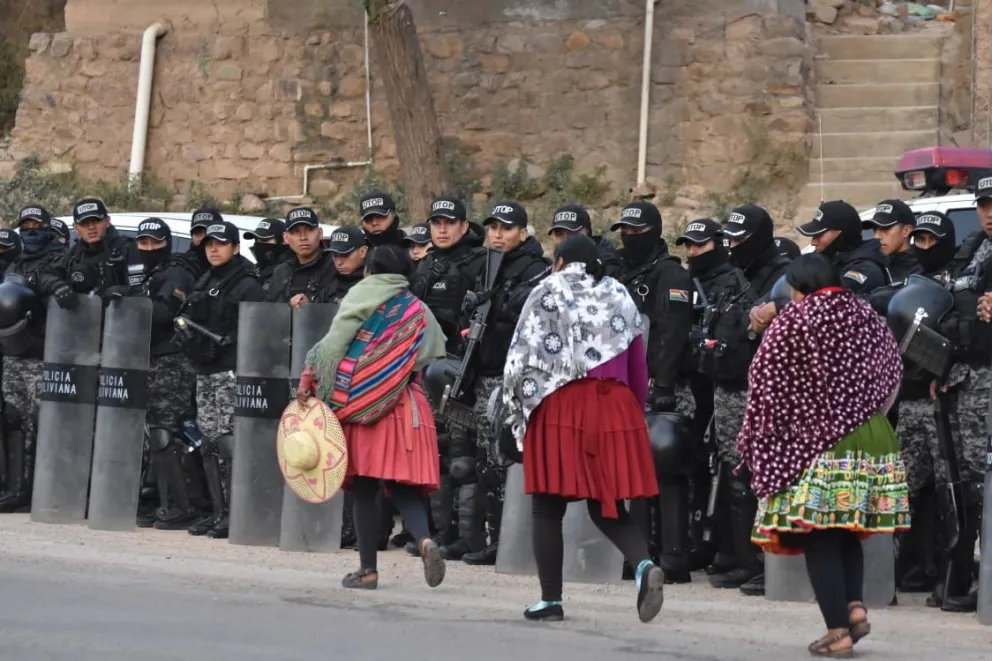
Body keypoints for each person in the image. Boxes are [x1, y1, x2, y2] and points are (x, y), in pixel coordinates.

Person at [737, 254, 908, 657]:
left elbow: (766, 387)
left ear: (796, 289)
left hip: (818, 441)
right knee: (845, 528)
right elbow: (893, 370)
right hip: (872, 435)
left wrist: (757, 442)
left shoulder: (794, 320)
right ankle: (853, 608)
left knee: (817, 536)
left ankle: (837, 631)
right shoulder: (866, 314)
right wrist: (866, 413)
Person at [501, 234, 664, 623]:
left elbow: (520, 360)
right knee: (606, 503)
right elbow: (638, 362)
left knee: (546, 506)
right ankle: (643, 564)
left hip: (561, 404)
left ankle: (551, 600)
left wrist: (517, 413)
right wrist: (633, 415)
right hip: (616, 406)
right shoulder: (620, 294)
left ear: (558, 262)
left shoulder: (547, 290)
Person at [296, 244, 447, 590]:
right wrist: (391, 368)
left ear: (369, 270)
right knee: (400, 485)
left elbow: (332, 347)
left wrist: (309, 382)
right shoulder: (417, 308)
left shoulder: (360, 295)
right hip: (405, 405)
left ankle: (368, 570)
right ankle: (424, 540)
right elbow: (430, 352)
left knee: (364, 490)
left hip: (362, 405)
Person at [452, 200, 550, 565]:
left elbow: (526, 317)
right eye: (493, 227)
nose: (497, 234)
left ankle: (512, 542)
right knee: (484, 461)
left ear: (523, 233)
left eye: (506, 228)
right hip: (485, 371)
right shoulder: (488, 265)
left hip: (516, 378)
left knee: (505, 458)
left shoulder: (534, 269)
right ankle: (492, 539)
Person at [677, 219, 759, 590]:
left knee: (735, 468)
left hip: (732, 387)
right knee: (701, 467)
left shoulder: (735, 285)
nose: (693, 253)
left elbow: (733, 346)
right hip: (699, 386)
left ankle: (743, 556)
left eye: (700, 246)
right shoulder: (690, 280)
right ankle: (709, 546)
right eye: (688, 246)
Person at [407, 196, 489, 558]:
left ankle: (469, 539)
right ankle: (440, 536)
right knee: (435, 455)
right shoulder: (426, 266)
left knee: (463, 458)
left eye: (448, 222)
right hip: (429, 371)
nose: (441, 229)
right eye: (436, 222)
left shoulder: (482, 264)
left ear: (464, 226)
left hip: (464, 371)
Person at [175, 221, 266, 539]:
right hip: (206, 371)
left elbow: (257, 333)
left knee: (230, 443)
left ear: (236, 248)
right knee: (209, 442)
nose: (213, 248)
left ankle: (237, 511)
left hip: (231, 372)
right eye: (209, 243)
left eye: (221, 243)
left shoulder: (247, 285)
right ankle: (219, 512)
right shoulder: (206, 279)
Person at [110, 218, 202, 529]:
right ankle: (161, 502)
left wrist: (130, 298)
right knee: (156, 434)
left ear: (167, 243)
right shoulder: (151, 274)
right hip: (150, 359)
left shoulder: (175, 272)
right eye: (144, 243)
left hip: (172, 361)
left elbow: (165, 312)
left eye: (155, 243)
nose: (149, 248)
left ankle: (182, 505)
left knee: (168, 433)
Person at [0, 205, 63, 512]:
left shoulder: (60, 260)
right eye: (25, 226)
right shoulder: (16, 264)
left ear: (48, 228)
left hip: (44, 356)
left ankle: (45, 488)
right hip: (15, 355)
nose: (31, 231)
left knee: (44, 423)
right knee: (15, 419)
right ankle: (17, 487)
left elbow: (58, 287)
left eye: (37, 225)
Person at [264, 208, 339, 307]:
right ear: (286, 238)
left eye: (309, 230)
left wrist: (311, 307)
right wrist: (289, 306)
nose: (303, 237)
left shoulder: (337, 266)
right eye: (296, 231)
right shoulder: (280, 272)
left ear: (320, 233)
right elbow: (267, 313)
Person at [547, 202, 621, 277]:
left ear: (587, 232)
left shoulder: (607, 267)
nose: (566, 240)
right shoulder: (549, 270)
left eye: (572, 233)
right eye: (558, 234)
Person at [862, 200, 922, 282]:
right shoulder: (870, 264)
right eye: (875, 229)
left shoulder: (922, 269)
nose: (877, 236)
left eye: (885, 229)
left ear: (907, 230)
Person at [245, 218, 289, 291]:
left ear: (284, 241)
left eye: (264, 240)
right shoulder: (254, 270)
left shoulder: (289, 272)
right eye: (256, 240)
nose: (258, 244)